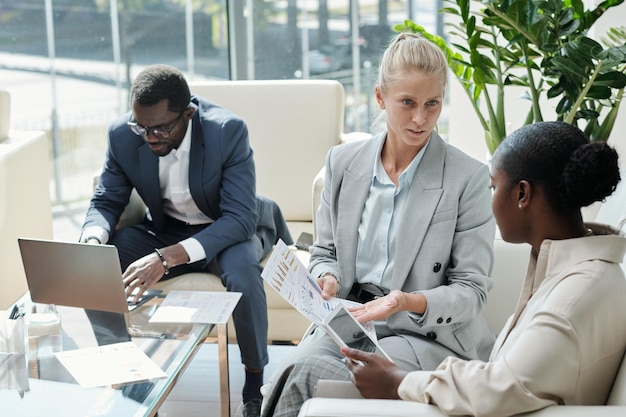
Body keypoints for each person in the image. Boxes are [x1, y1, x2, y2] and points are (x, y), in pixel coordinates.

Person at [260, 32, 497, 417]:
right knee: (289, 369)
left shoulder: (467, 178)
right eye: (407, 103)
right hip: (349, 319)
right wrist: (328, 278)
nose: (421, 119)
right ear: (380, 98)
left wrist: (406, 302)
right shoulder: (342, 163)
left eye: (432, 104)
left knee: (311, 376)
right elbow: (324, 252)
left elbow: (472, 291)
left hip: (421, 332)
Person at [340, 121, 626, 416]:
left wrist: (397, 382)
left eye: (494, 186)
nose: (491, 199)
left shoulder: (572, 297)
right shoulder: (581, 272)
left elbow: (500, 386)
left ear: (522, 194)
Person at [79, 64, 291, 417]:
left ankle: (255, 383)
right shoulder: (122, 135)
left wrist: (165, 259)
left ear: (188, 114)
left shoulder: (227, 131)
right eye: (142, 128)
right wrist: (93, 238)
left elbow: (239, 219)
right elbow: (106, 200)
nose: (149, 138)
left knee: (242, 273)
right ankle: (132, 382)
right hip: (167, 229)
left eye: (161, 128)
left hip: (227, 228)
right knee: (92, 265)